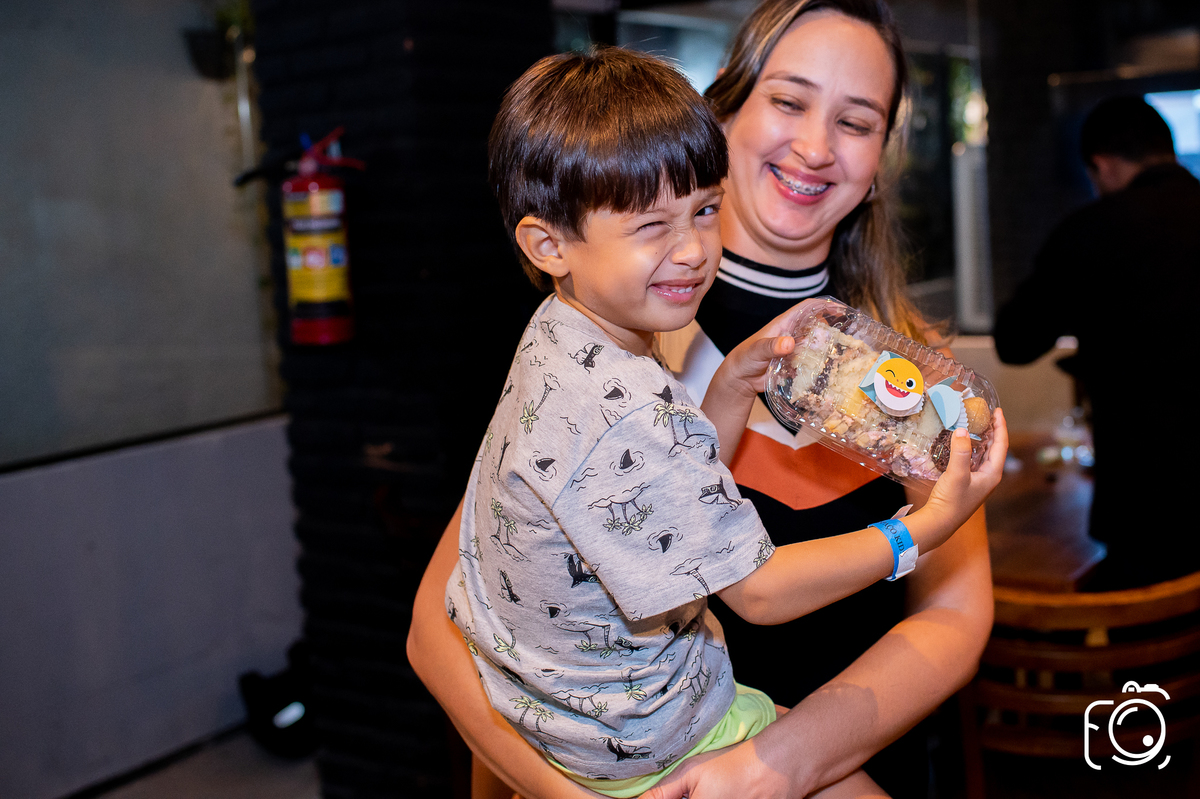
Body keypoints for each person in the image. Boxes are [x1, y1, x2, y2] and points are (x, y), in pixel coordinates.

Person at [408, 2, 999, 797]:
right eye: (788, 100)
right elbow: (463, 616)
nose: (816, 146)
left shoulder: (913, 374)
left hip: (819, 754)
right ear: (722, 109)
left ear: (882, 154)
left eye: (856, 122)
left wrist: (773, 764)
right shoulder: (608, 334)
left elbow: (954, 616)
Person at [992, 95, 1200, 590]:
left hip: (1145, 502)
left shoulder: (1093, 230)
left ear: (1102, 165)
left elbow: (1016, 341)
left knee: (1137, 616)